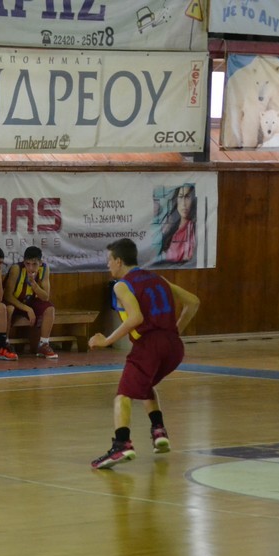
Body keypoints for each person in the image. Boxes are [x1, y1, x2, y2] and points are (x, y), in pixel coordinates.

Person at [88, 238, 200, 470]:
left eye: (109, 260)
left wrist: (106, 340)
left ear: (119, 261)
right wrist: (174, 331)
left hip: (150, 345)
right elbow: (193, 302)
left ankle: (122, 445)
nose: (107, 265)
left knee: (122, 395)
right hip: (174, 347)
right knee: (144, 384)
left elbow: (136, 317)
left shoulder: (122, 285)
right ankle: (159, 431)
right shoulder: (158, 278)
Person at [4, 246, 59, 360]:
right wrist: (27, 309)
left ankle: (44, 344)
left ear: (40, 263)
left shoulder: (44, 269)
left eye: (34, 264)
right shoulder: (16, 269)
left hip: (30, 301)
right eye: (27, 264)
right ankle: (5, 344)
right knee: (8, 309)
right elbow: (7, 295)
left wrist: (34, 284)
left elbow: (45, 297)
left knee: (50, 309)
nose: (30, 268)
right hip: (15, 302)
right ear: (23, 262)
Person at [157, 183, 197, 265]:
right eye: (181, 197)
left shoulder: (194, 229)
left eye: (187, 197)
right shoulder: (168, 227)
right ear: (176, 200)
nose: (184, 203)